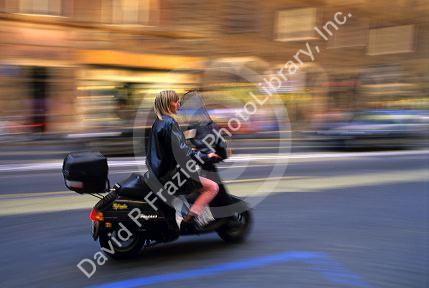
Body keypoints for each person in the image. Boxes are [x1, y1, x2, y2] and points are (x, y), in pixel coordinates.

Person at [146, 90, 220, 225]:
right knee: (212, 187)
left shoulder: (158, 122)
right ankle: (190, 219)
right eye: (176, 101)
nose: (179, 103)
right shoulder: (170, 123)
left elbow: (171, 147)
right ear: (168, 104)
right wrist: (205, 155)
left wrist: (188, 146)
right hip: (171, 175)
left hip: (159, 172)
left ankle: (184, 213)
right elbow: (182, 152)